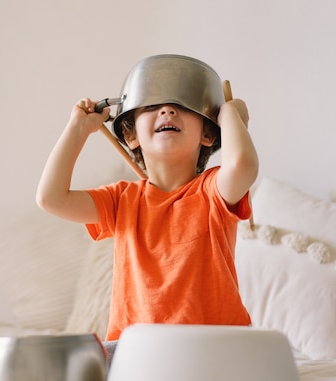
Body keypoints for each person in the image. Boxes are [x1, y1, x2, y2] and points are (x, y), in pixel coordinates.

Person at [36, 56, 258, 354]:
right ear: (130, 134)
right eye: (152, 106)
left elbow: (242, 164)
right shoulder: (121, 200)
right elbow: (51, 198)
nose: (167, 110)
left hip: (214, 350)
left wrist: (231, 114)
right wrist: (78, 129)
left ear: (208, 133)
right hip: (136, 352)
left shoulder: (213, 191)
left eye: (181, 107)